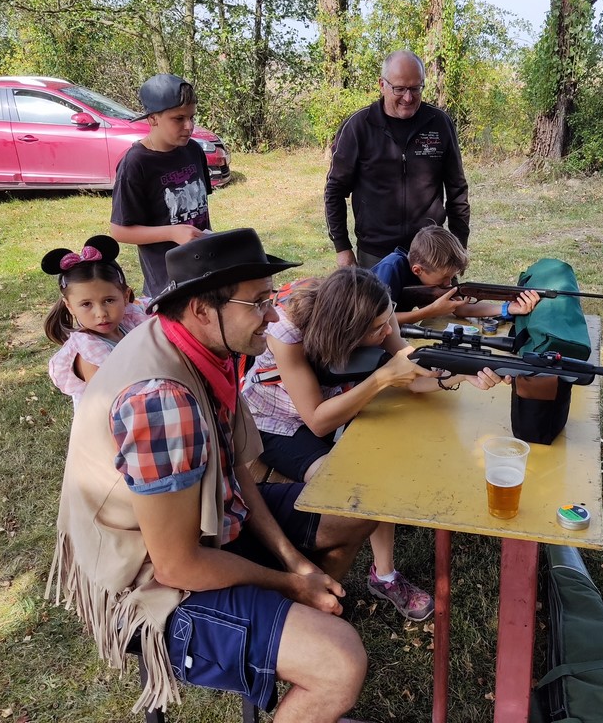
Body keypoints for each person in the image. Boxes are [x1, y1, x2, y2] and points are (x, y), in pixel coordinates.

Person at [46, 228, 379, 723]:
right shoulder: (161, 399)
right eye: (259, 303)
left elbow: (236, 467)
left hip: (208, 524)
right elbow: (177, 566)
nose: (274, 315)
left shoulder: (200, 347)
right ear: (203, 309)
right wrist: (290, 583)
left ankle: (294, 647)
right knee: (340, 663)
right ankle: (308, 663)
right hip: (143, 582)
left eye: (272, 298)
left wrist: (295, 564)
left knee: (356, 510)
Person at [241, 267, 507, 621]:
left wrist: (461, 373)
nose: (388, 332)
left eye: (387, 320)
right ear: (345, 332)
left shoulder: (374, 307)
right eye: (378, 329)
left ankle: (383, 576)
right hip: (273, 422)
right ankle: (309, 587)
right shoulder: (286, 330)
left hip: (333, 401)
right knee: (348, 485)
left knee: (375, 471)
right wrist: (382, 378)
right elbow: (317, 419)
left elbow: (414, 374)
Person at [324, 50, 470, 269]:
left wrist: (459, 246)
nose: (408, 98)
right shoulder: (358, 127)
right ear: (382, 85)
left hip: (431, 252)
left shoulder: (439, 123)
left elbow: (457, 190)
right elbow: (334, 190)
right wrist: (342, 247)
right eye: (399, 89)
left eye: (415, 88)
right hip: (375, 254)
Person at [110, 73, 213, 300]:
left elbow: (199, 210)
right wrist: (172, 232)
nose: (189, 126)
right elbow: (119, 231)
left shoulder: (193, 150)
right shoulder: (136, 163)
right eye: (178, 118)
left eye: (192, 117)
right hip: (168, 282)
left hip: (205, 269)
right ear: (153, 119)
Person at [42, 234, 148, 409]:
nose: (101, 313)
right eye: (86, 304)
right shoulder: (88, 353)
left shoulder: (129, 322)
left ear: (125, 296)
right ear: (69, 306)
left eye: (109, 300)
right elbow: (108, 406)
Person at [370, 224, 541, 325]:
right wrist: (430, 311)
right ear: (417, 270)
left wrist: (507, 308)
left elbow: (460, 308)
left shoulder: (431, 275)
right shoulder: (390, 268)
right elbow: (376, 320)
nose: (448, 284)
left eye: (451, 277)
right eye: (444, 278)